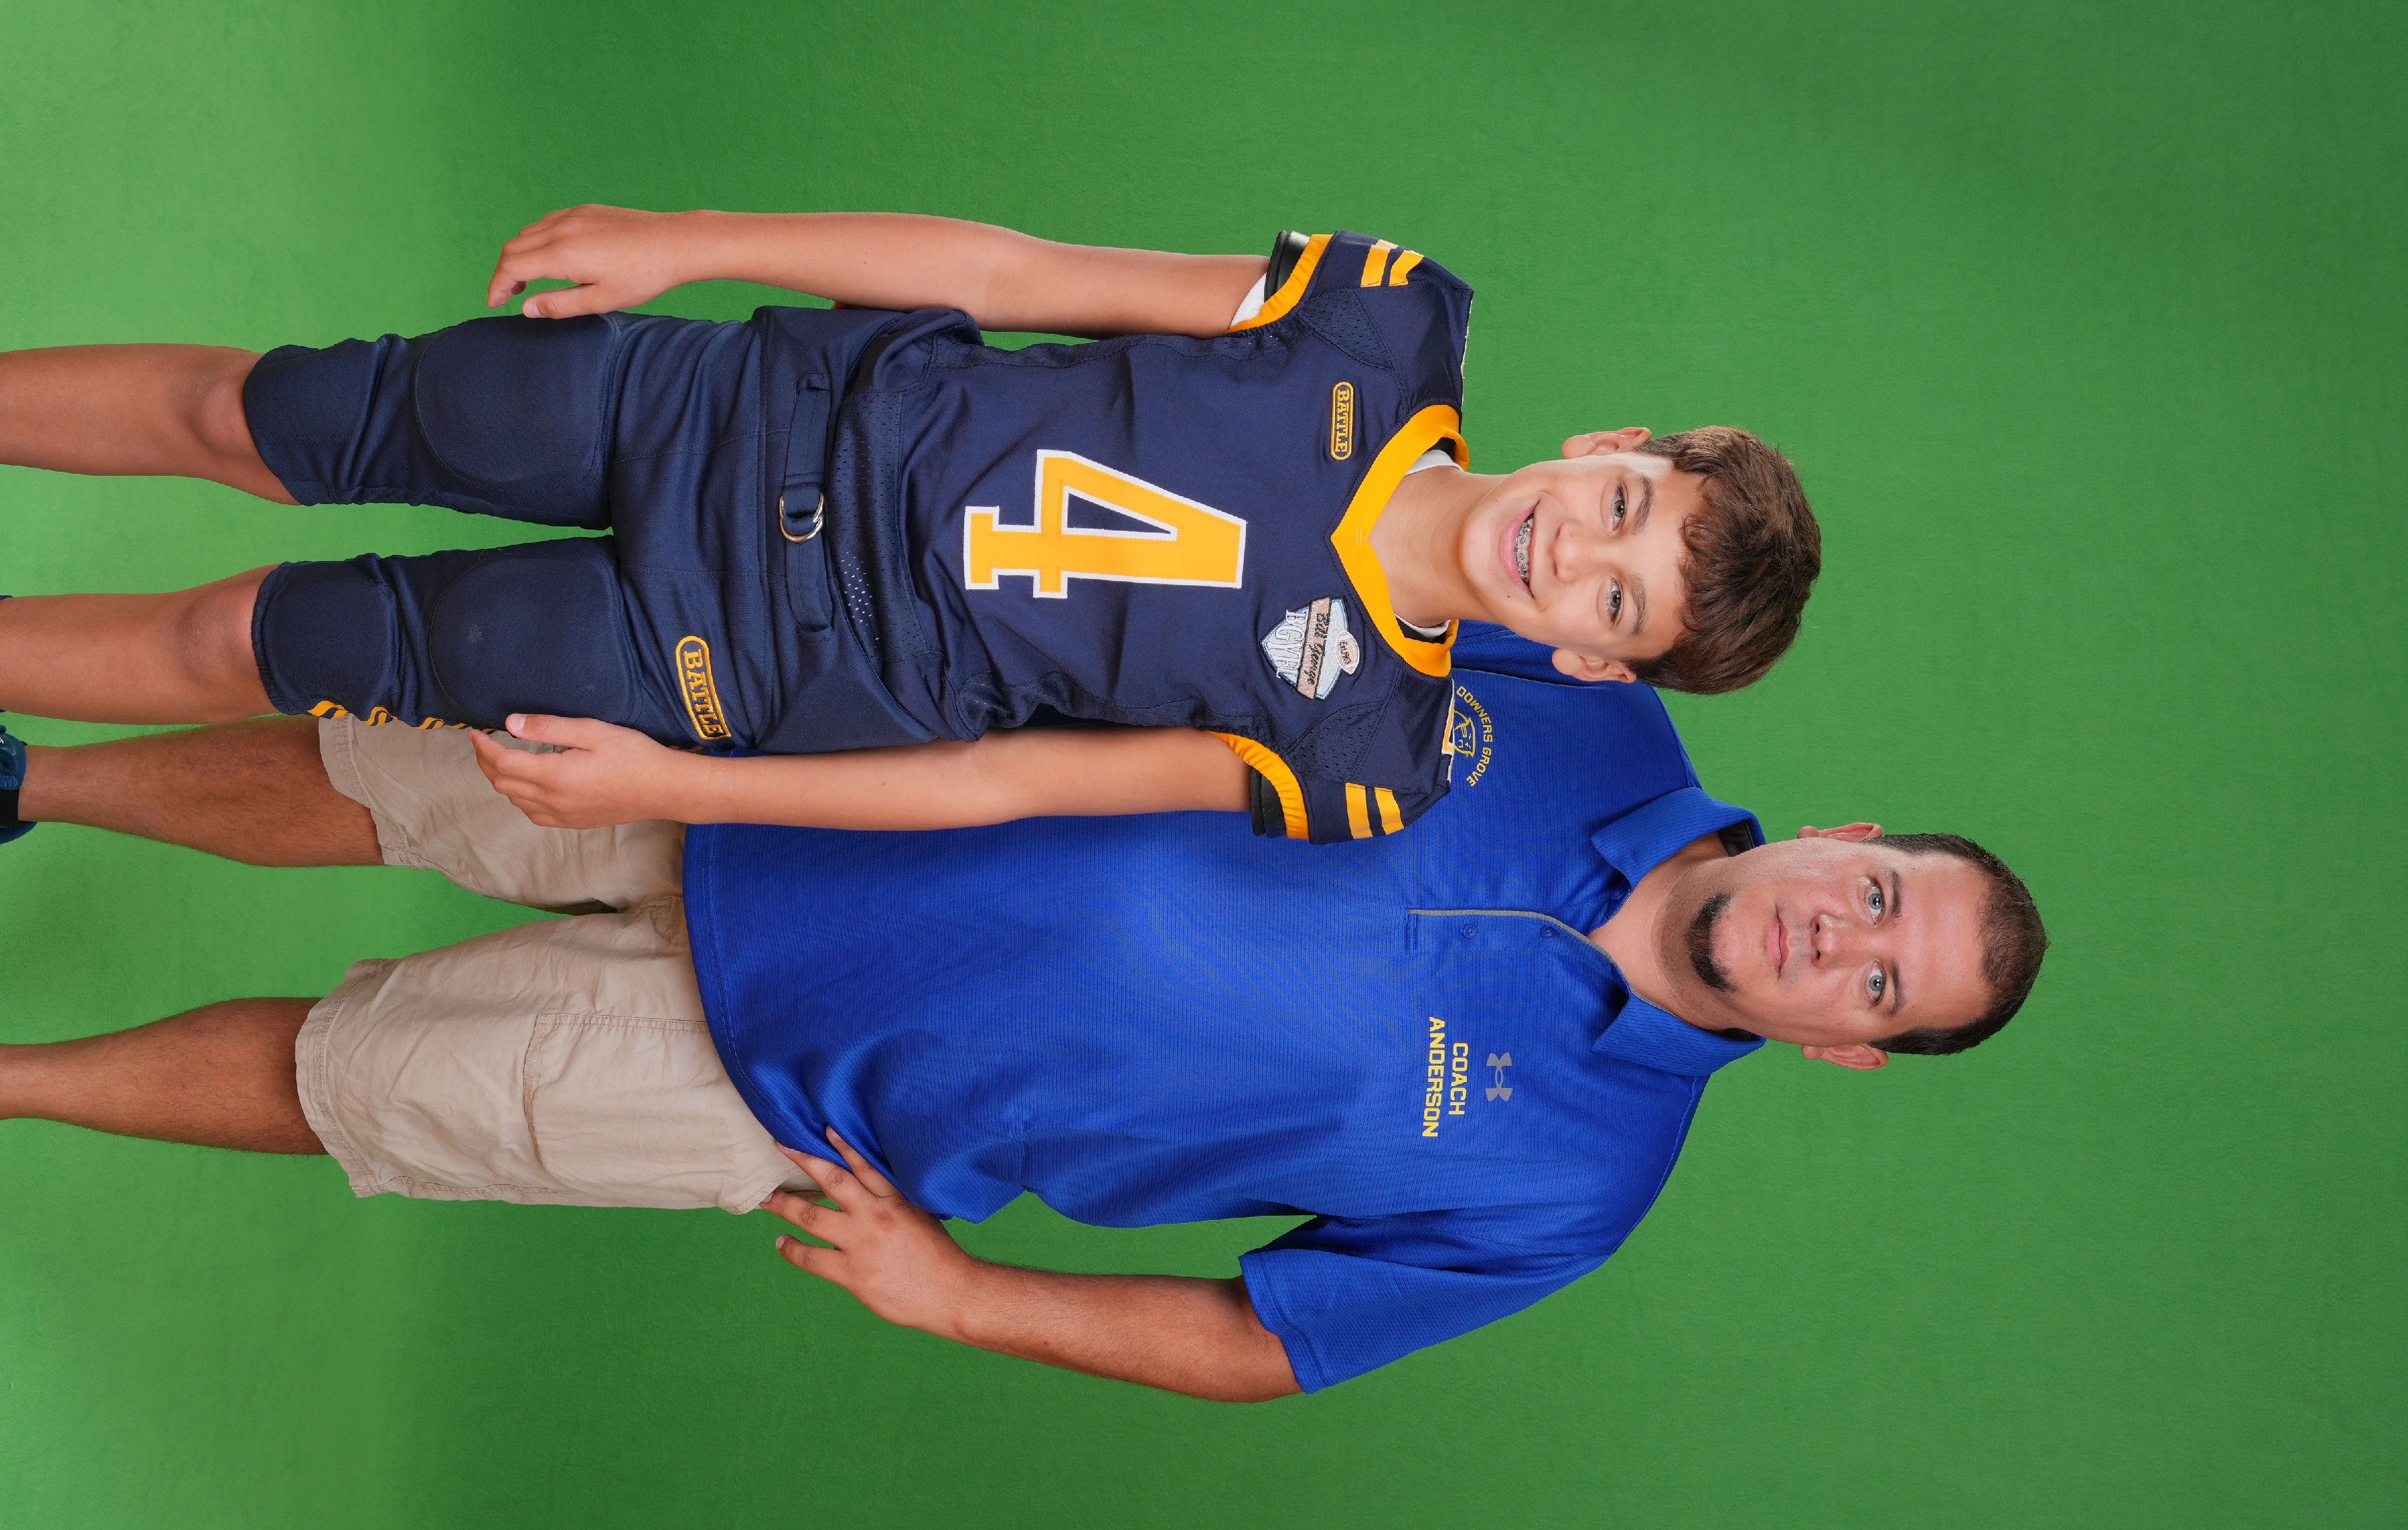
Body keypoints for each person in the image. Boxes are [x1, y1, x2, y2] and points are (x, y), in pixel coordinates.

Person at [0, 629, 2044, 1399]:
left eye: (1879, 983)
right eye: (1879, 898)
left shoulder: (1576, 1190)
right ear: (1850, 835)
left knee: (352, 1084)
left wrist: (967, 1297)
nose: (1834, 939)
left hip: (795, 1095)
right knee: (386, 774)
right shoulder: (1589, 697)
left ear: (1845, 1048)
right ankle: (35, 778)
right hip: (809, 757)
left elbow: (1271, 1341)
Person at [0, 207, 1819, 847]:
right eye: (1622, 509)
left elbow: (1003, 785)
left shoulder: (1365, 756)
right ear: (1610, 446)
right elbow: (1010, 272)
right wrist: (692, 242)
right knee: (264, 416)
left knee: (252, 641)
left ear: (1594, 663)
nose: (1573, 550)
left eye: (1616, 601)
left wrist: (677, 789)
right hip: (741, 408)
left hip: (744, 659)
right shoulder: (1376, 321)